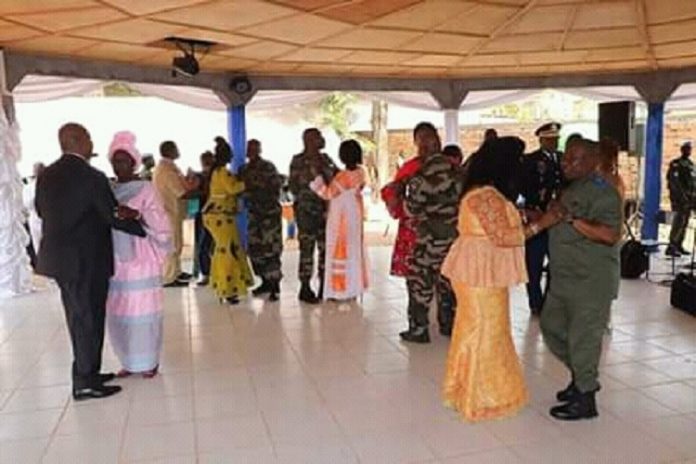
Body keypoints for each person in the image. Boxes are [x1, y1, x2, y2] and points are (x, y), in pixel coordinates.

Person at [442, 136, 560, 421]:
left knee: (477, 327)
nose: (521, 166)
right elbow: (502, 237)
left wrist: (522, 215)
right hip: (479, 272)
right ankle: (481, 397)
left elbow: (496, 223)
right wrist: (541, 224)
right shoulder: (484, 195)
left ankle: (466, 389)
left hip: (480, 269)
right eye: (517, 160)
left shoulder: (487, 192)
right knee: (486, 329)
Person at [35, 123, 144, 401]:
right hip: (86, 260)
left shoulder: (46, 174)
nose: (91, 142)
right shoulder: (91, 176)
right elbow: (111, 215)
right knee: (88, 318)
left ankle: (87, 372)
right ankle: (85, 382)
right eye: (88, 137)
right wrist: (143, 226)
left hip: (59, 259)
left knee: (77, 315)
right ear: (78, 140)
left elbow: (39, 210)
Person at [541, 139, 622, 421]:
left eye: (575, 160)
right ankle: (581, 377)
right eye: (566, 159)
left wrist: (572, 219)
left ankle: (585, 399)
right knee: (551, 328)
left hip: (590, 281)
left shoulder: (605, 193)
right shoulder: (574, 188)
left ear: (591, 161)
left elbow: (610, 234)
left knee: (583, 340)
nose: (566, 164)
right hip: (564, 277)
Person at [105, 132, 172, 379]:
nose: (119, 166)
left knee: (143, 311)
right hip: (116, 260)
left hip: (141, 259)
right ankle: (129, 361)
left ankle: (149, 361)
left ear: (134, 163)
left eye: (123, 161)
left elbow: (161, 222)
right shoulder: (109, 188)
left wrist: (136, 216)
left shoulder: (146, 188)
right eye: (115, 161)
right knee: (121, 311)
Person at [400, 122, 461, 343]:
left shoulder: (421, 176)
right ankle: (450, 324)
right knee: (449, 282)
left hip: (429, 240)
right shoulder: (457, 170)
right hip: (454, 239)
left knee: (419, 281)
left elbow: (411, 209)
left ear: (421, 147)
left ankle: (419, 328)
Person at [310, 139, 369, 301]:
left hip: (341, 218)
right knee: (354, 251)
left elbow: (328, 193)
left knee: (339, 251)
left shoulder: (342, 177)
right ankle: (354, 287)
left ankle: (340, 289)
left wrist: (317, 181)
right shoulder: (361, 172)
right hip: (355, 215)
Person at [289, 128, 339, 303]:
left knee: (326, 250)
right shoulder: (298, 161)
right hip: (306, 212)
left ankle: (325, 286)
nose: (319, 140)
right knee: (307, 250)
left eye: (319, 137)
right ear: (306, 140)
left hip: (325, 212)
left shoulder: (326, 159)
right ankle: (305, 287)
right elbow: (293, 187)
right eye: (315, 138)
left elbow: (337, 180)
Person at [520, 122, 564, 316]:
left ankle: (551, 300)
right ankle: (536, 302)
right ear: (542, 139)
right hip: (537, 216)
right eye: (551, 139)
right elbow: (523, 187)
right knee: (534, 265)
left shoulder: (563, 160)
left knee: (557, 263)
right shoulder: (530, 160)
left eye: (557, 139)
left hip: (557, 220)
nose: (555, 142)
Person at [203, 137, 253, 305]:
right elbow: (233, 188)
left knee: (222, 249)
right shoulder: (223, 172)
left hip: (217, 216)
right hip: (220, 217)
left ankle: (222, 285)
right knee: (228, 250)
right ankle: (228, 289)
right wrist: (247, 181)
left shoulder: (216, 171)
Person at [239, 139, 283, 302]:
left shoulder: (268, 167)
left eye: (254, 148)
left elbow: (276, 186)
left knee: (271, 250)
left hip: (269, 215)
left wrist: (258, 187)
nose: (251, 151)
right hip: (254, 215)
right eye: (249, 149)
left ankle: (274, 285)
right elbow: (239, 189)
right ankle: (264, 281)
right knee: (255, 249)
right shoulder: (243, 169)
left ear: (260, 150)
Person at [152, 141, 198, 287]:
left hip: (173, 212)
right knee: (173, 245)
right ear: (170, 151)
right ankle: (169, 277)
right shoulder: (166, 171)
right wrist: (201, 192)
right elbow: (181, 193)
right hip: (169, 213)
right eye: (176, 148)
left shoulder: (170, 167)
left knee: (177, 244)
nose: (178, 151)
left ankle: (176, 273)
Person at [666, 141, 695, 257]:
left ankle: (679, 244)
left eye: (690, 149)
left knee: (685, 222)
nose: (688, 151)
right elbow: (674, 183)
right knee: (678, 222)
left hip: (690, 199)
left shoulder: (690, 164)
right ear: (682, 150)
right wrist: (682, 197)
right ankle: (671, 246)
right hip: (680, 200)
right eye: (686, 148)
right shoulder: (676, 164)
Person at [192, 151, 215, 286]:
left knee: (205, 245)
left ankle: (208, 273)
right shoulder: (200, 177)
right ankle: (206, 272)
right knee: (204, 245)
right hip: (204, 214)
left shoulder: (216, 176)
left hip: (211, 214)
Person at [22, 162, 45, 267]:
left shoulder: (51, 184)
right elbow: (26, 204)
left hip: (44, 218)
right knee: (38, 243)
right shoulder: (29, 187)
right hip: (35, 218)